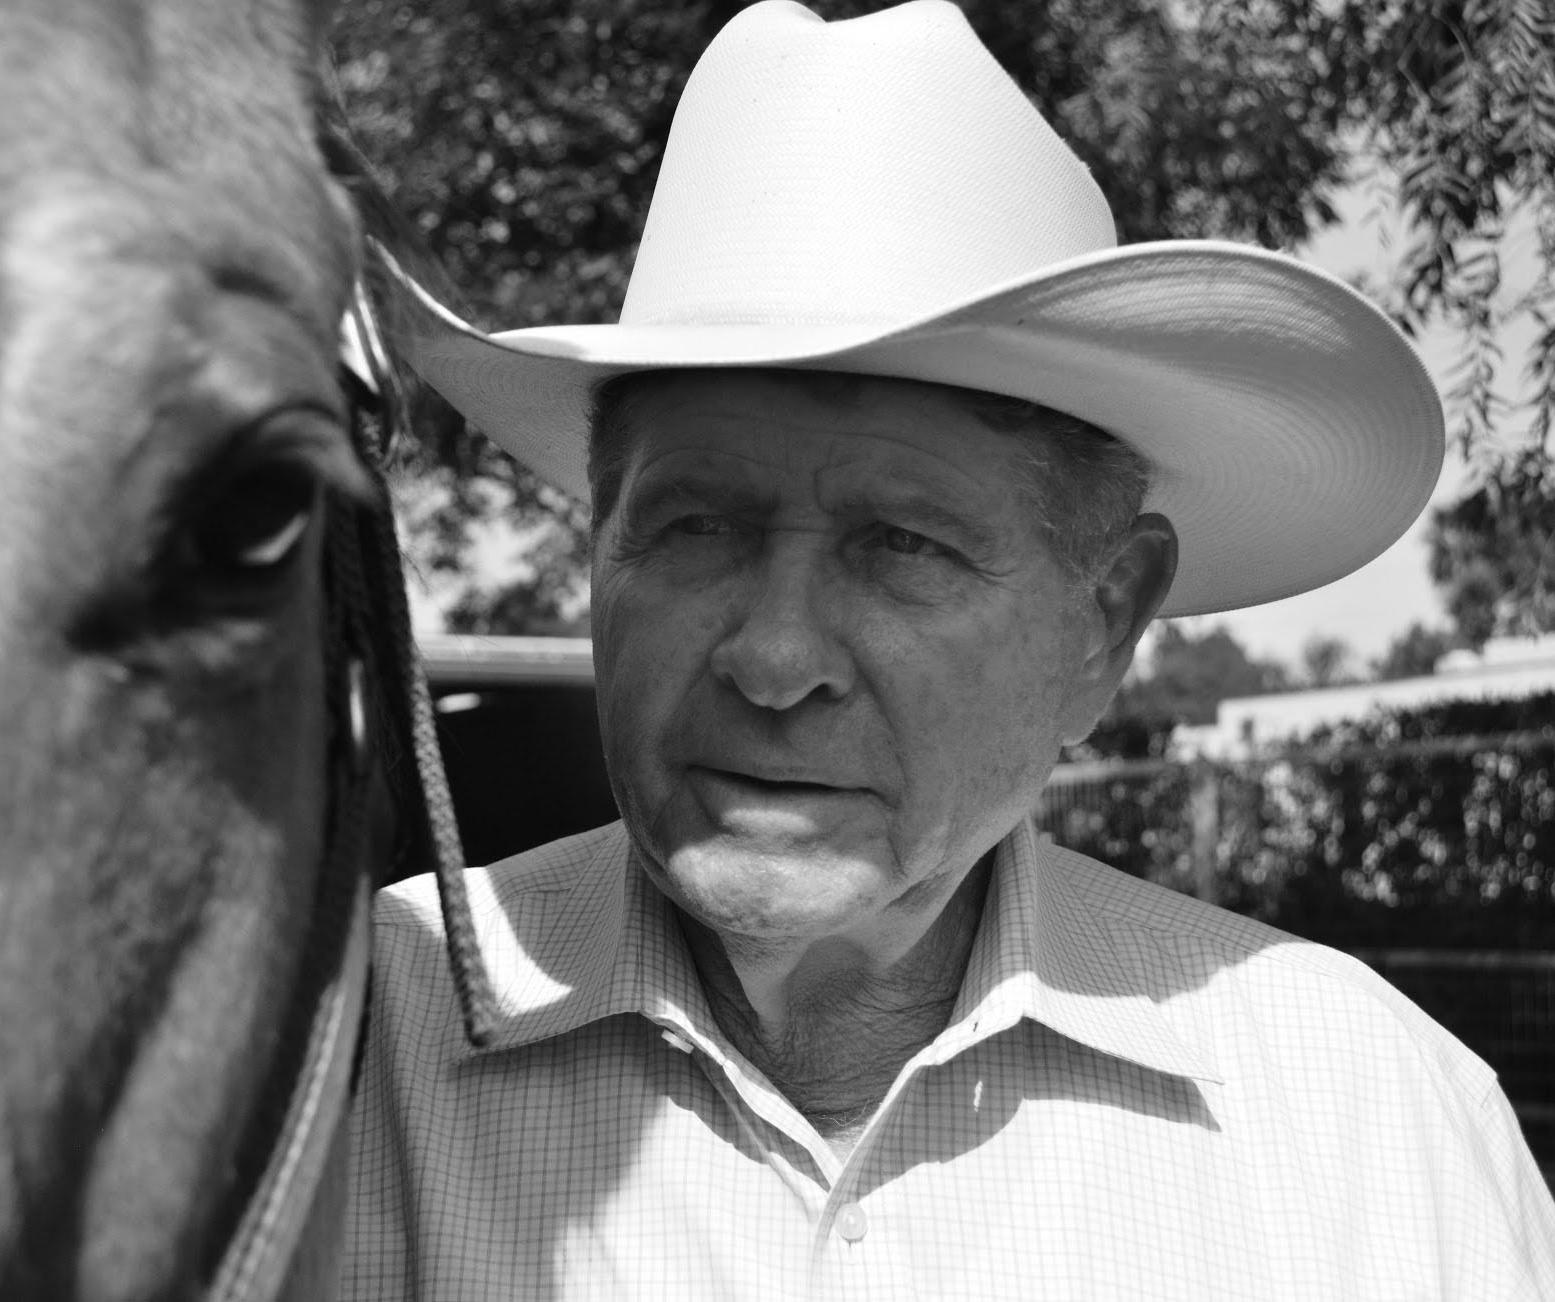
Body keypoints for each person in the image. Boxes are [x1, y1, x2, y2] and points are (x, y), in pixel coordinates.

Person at [343, 3, 1555, 1298]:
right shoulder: (339, 1062)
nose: (775, 659)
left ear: (1104, 623)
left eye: (902, 545)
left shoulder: (1366, 1133)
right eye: (695, 526)